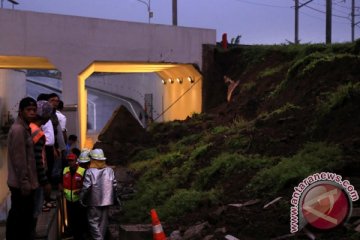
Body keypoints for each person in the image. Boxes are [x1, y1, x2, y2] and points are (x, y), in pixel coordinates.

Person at [6, 97, 38, 240]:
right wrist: (25, 183)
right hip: (21, 185)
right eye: (28, 110)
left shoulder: (25, 127)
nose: (32, 113)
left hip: (23, 183)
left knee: (20, 217)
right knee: (20, 219)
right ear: (21, 111)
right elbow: (19, 160)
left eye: (34, 110)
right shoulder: (19, 130)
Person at [80, 149, 117, 240]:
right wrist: (115, 198)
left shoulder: (90, 172)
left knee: (93, 222)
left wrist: (81, 198)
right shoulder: (110, 170)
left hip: (93, 202)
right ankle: (100, 238)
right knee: (103, 223)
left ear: (93, 160)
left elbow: (86, 188)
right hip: (107, 201)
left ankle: (98, 239)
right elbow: (115, 186)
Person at [30, 100, 53, 237]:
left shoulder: (29, 127)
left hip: (30, 177)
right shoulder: (37, 133)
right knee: (35, 209)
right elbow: (37, 159)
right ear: (46, 116)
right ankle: (31, 233)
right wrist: (45, 181)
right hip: (36, 178)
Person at [63, 153, 87, 240]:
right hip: (69, 200)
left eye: (71, 160)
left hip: (78, 201)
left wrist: (81, 191)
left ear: (76, 161)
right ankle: (73, 235)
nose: (70, 162)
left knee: (79, 220)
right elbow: (60, 181)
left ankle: (80, 235)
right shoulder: (65, 170)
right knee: (71, 219)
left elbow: (86, 185)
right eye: (68, 160)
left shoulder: (82, 171)